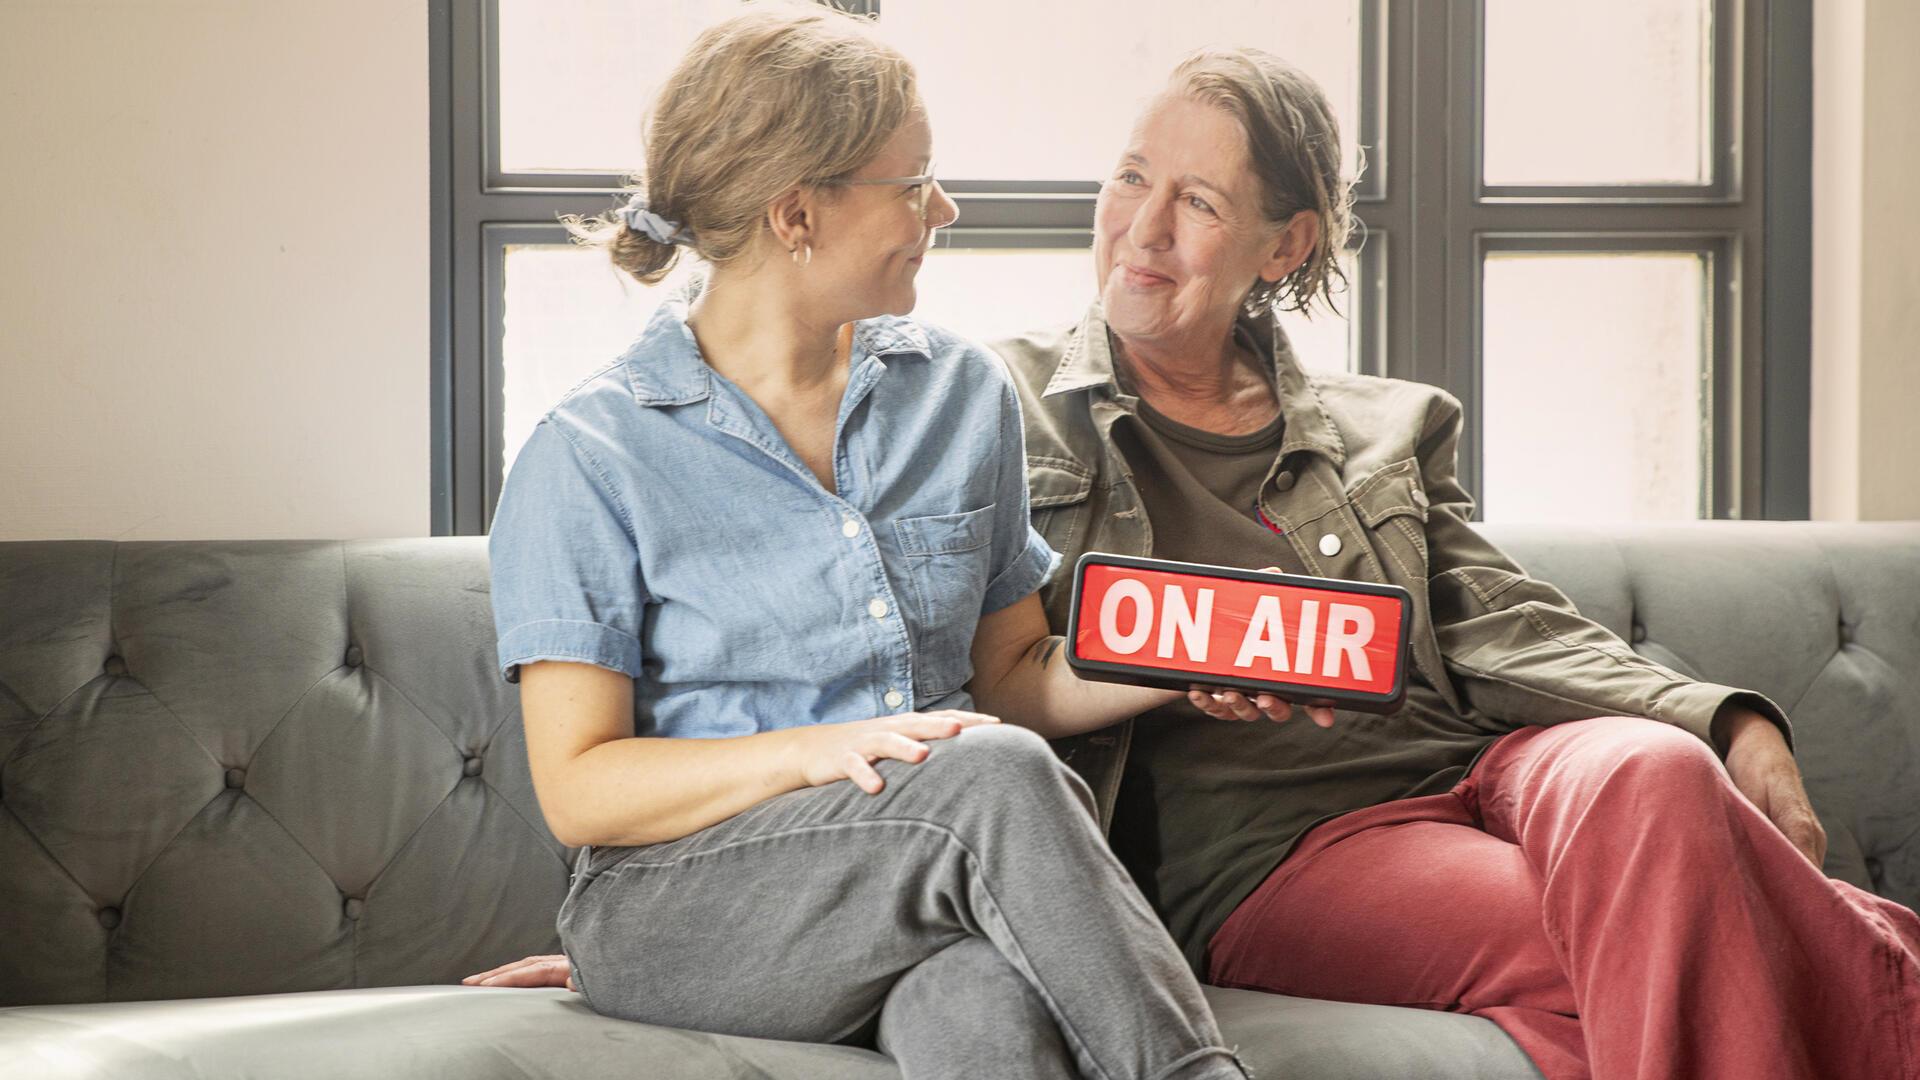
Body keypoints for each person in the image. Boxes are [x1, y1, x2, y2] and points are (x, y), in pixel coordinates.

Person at [985, 46, 1920, 1080]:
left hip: (1482, 761)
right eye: (1131, 176)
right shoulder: (998, 407)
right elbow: (991, 684)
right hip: (1282, 852)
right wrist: (1158, 661)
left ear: (1284, 246)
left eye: (1198, 201)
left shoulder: (1388, 425)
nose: (1143, 227)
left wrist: (1724, 719)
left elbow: (1504, 620)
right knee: (1649, 934)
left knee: (1656, 765)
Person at [467, 5, 1252, 1079]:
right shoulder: (592, 451)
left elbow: (1012, 679)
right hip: (680, 906)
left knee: (976, 1001)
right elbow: (581, 787)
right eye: (912, 181)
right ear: (797, 214)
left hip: (921, 876)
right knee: (991, 775)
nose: (945, 206)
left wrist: (1196, 657)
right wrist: (807, 752)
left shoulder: (957, 395)